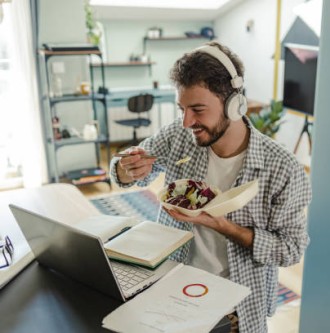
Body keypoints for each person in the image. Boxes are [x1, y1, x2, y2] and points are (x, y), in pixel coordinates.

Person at [110, 41, 312, 333]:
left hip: (234, 311)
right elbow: (120, 172)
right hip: (170, 287)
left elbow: (291, 250)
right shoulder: (180, 136)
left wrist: (223, 226)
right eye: (182, 108)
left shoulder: (282, 168)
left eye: (198, 109)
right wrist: (126, 168)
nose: (187, 121)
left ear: (234, 104)